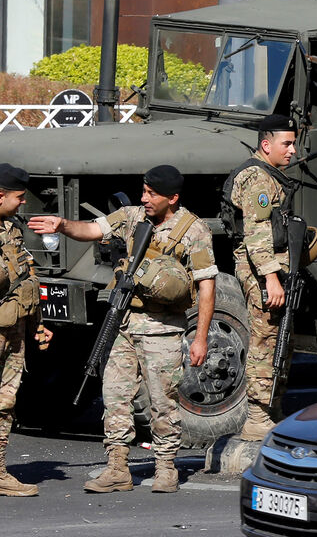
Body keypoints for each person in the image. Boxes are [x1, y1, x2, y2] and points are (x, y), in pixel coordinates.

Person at [30, 165, 216, 493]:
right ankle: (117, 467)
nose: (144, 198)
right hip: (124, 324)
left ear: (172, 198)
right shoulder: (132, 217)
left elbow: (206, 286)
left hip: (163, 329)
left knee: (163, 401)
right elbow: (93, 229)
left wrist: (200, 338)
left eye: (152, 194)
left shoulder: (194, 230)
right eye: (143, 191)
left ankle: (166, 467)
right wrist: (62, 225)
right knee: (115, 396)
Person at [222, 114, 297, 441]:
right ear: (266, 145)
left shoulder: (270, 174)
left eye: (293, 143)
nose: (293, 150)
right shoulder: (257, 179)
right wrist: (271, 277)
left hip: (274, 266)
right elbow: (257, 233)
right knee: (265, 341)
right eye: (287, 144)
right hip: (261, 269)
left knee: (281, 339)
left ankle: (273, 408)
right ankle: (256, 417)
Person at [0, 165, 52, 497]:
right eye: (19, 197)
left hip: (13, 329)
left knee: (5, 403)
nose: (23, 203)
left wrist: (38, 324)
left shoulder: (11, 228)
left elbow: (25, 279)